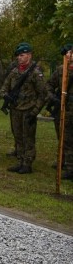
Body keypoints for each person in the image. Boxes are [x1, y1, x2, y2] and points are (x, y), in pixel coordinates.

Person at [0, 42, 47, 174]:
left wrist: (35, 111)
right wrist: (6, 96)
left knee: (28, 138)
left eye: (22, 55)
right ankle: (20, 160)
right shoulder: (14, 71)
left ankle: (27, 163)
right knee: (18, 136)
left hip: (28, 110)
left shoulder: (35, 73)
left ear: (29, 55)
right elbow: (4, 87)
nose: (19, 58)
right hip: (15, 110)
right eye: (18, 56)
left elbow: (43, 94)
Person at [46, 43, 73, 180]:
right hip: (62, 109)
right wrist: (54, 98)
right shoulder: (61, 69)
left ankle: (70, 167)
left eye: (71, 52)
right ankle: (64, 163)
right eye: (67, 53)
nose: (69, 55)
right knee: (63, 138)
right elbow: (49, 85)